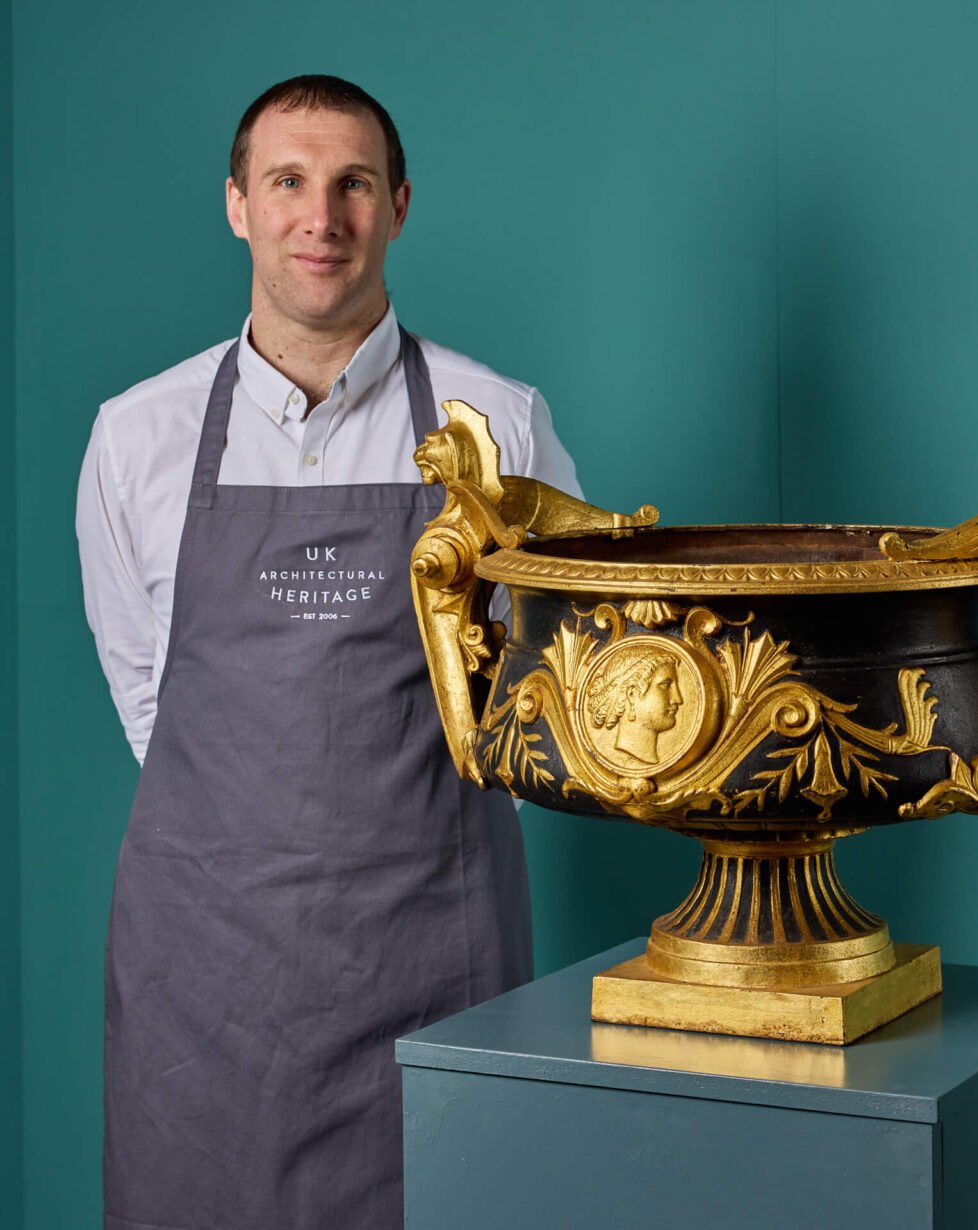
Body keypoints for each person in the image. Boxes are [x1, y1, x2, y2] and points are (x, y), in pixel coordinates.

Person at [76, 75, 582, 1230]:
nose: (321, 217)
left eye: (353, 184)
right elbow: (147, 691)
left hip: (432, 945)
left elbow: (549, 678)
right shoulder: (137, 436)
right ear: (237, 205)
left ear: (397, 205)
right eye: (288, 182)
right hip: (202, 976)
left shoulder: (496, 423)